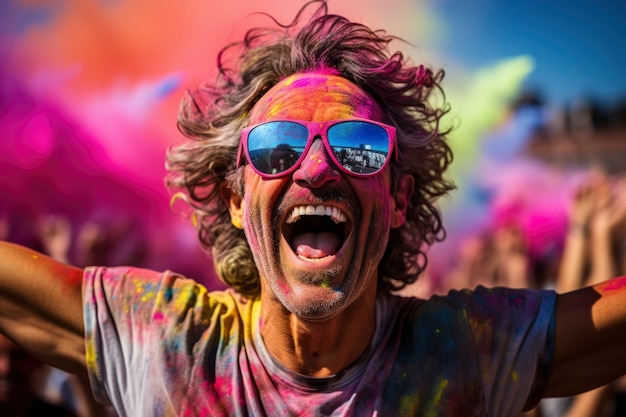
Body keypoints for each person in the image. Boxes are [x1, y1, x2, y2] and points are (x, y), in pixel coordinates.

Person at [1, 2, 625, 416]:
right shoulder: (169, 343)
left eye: (359, 147)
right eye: (276, 149)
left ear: (399, 198)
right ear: (237, 197)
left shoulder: (463, 352)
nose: (318, 168)